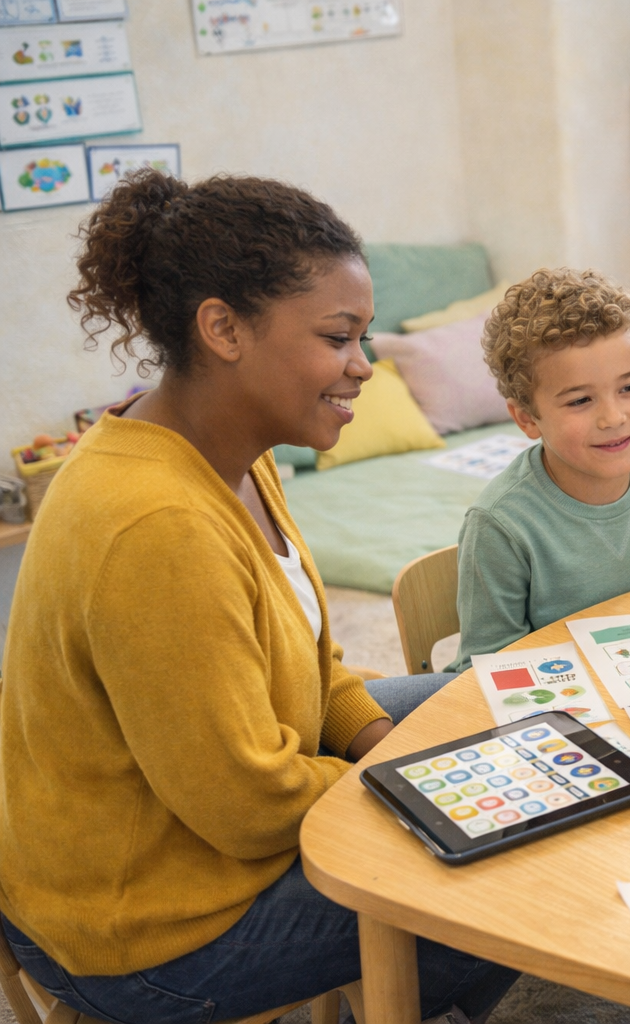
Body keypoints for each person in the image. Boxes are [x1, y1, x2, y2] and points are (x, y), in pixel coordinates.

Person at [0, 170, 515, 1024]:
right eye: (338, 337)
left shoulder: (231, 449)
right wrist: (412, 783)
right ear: (223, 328)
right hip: (152, 930)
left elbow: (311, 661)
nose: (363, 368)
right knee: (496, 881)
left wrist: (380, 739)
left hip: (214, 818)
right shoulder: (154, 527)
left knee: (491, 704)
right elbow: (246, 806)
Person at [447, 268, 630, 673]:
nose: (613, 417)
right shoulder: (499, 526)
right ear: (528, 419)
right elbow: (484, 671)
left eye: (629, 388)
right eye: (580, 400)